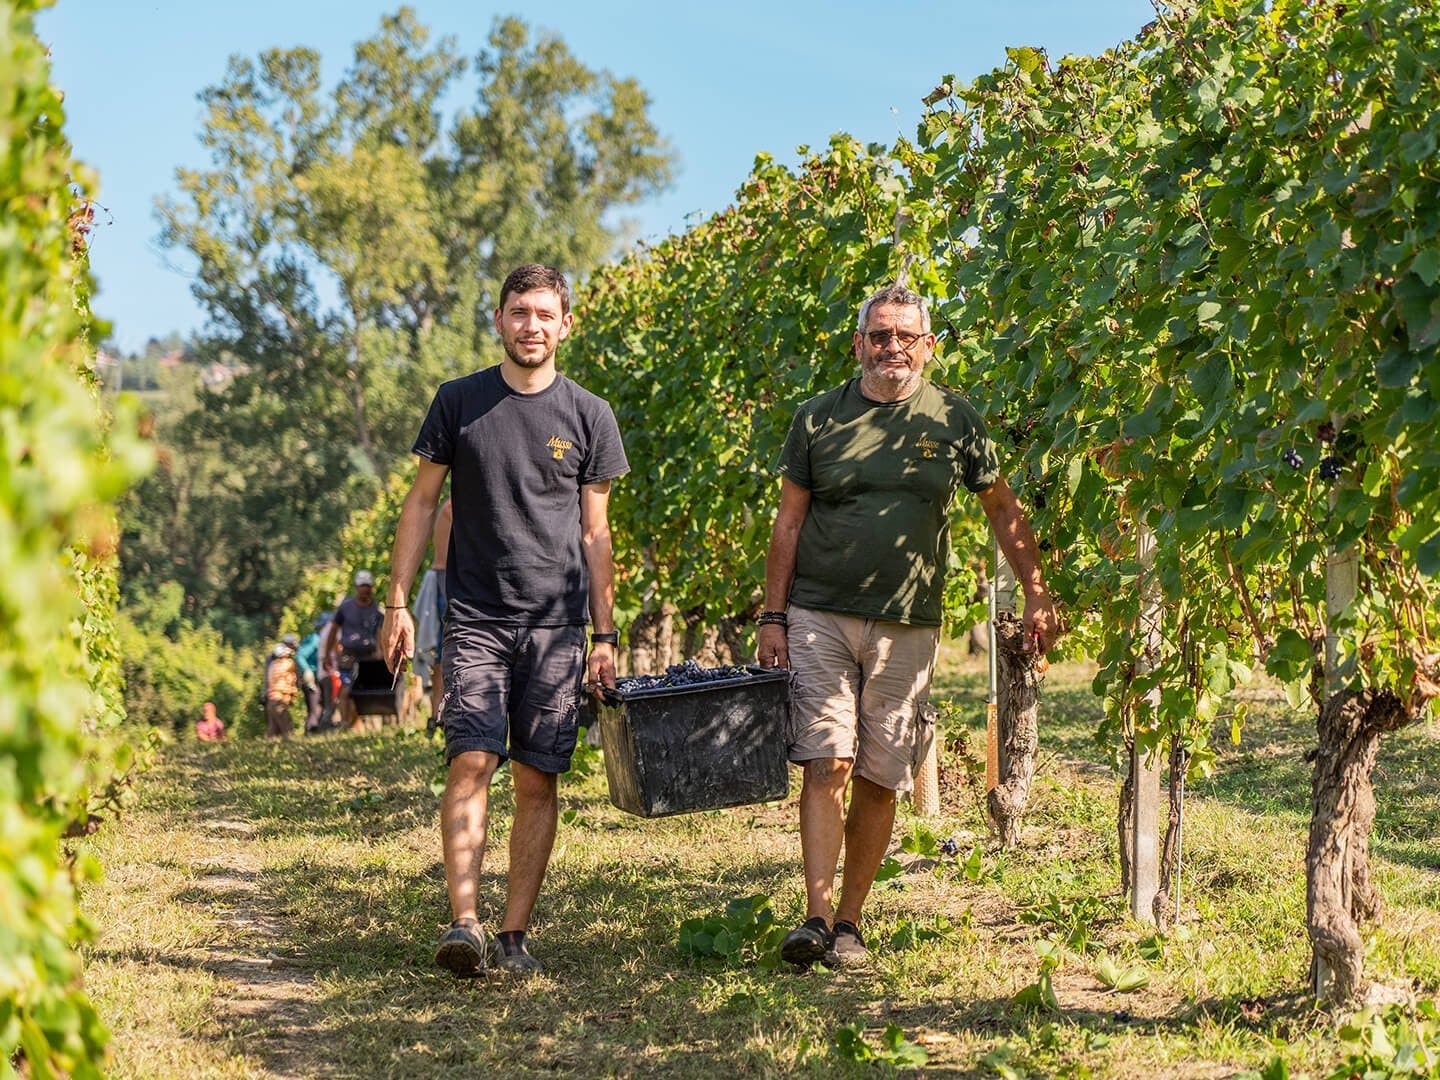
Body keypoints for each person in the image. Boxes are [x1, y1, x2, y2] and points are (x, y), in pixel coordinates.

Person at [758, 283, 1058, 969]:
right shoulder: (816, 419)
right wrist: (773, 616)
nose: (891, 346)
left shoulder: (956, 419)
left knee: (880, 769)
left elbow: (1003, 512)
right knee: (825, 757)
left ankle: (851, 923)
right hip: (818, 613)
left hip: (908, 623)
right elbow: (790, 522)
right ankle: (814, 912)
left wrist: (1037, 593)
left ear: (928, 346)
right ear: (859, 343)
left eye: (905, 336)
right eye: (879, 335)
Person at [380, 264, 628, 978]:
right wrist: (399, 602)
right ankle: (465, 923)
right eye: (520, 312)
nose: (532, 326)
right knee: (471, 758)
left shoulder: (590, 416)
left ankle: (514, 934)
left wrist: (604, 636)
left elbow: (595, 535)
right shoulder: (459, 402)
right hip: (475, 618)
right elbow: (422, 503)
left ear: (565, 326)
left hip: (556, 625)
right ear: (498, 319)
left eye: (546, 314)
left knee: (536, 778)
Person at [413, 498, 453, 731]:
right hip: (447, 580)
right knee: (447, 648)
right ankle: (439, 710)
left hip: (448, 579)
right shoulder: (454, 507)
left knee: (446, 648)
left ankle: (439, 710)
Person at [327, 570, 384, 729]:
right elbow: (333, 630)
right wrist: (328, 653)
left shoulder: (377, 610)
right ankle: (345, 722)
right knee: (346, 690)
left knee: (367, 691)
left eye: (367, 586)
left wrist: (381, 652)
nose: (364, 589)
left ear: (371, 587)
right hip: (348, 656)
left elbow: (380, 632)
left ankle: (366, 724)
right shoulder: (345, 608)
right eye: (361, 586)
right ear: (356, 587)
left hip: (369, 657)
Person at [264, 635, 301, 739]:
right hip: (280, 697)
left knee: (273, 728)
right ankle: (292, 744)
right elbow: (292, 680)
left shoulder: (272, 665)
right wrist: (294, 693)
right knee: (286, 726)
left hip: (271, 697)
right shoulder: (288, 664)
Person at [295, 616, 325, 734]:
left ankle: (313, 733)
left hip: (318, 677)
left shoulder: (320, 639)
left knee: (317, 707)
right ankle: (311, 734)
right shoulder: (315, 639)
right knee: (315, 709)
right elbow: (300, 656)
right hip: (311, 679)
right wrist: (307, 670)